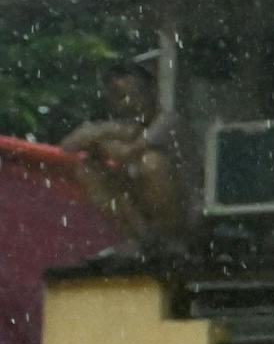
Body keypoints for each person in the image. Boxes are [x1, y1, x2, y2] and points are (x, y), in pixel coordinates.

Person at [60, 59, 183, 245]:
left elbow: (125, 152)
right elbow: (68, 146)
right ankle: (138, 238)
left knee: (151, 162)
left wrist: (100, 138)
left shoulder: (168, 121)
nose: (129, 101)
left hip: (183, 212)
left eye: (135, 93)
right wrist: (102, 135)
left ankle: (169, 238)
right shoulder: (122, 126)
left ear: (151, 91)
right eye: (120, 95)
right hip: (140, 205)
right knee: (88, 168)